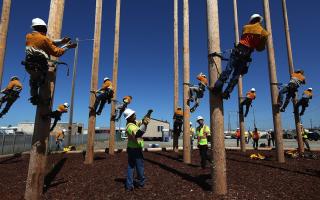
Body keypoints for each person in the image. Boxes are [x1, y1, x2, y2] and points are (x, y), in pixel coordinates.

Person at [209, 14, 269, 99]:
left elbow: (243, 38)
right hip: (246, 56)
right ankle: (226, 93)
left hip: (238, 52)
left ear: (251, 20)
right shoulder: (264, 33)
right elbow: (260, 48)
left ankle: (216, 89)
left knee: (227, 71)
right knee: (235, 76)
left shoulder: (246, 27)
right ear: (259, 20)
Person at [24, 18, 76, 105]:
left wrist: (62, 41)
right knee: (44, 84)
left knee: (33, 82)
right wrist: (67, 46)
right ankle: (44, 102)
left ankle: (34, 97)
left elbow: (49, 42)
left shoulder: (29, 36)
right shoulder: (44, 39)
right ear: (43, 28)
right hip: (39, 67)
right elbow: (56, 52)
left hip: (29, 66)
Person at [123, 108, 150, 191]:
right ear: (129, 117)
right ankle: (141, 183)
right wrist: (144, 125)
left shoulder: (134, 123)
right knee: (140, 167)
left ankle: (129, 186)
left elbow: (141, 121)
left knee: (131, 167)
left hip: (131, 149)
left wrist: (147, 115)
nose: (135, 115)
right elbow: (138, 134)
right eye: (133, 114)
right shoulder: (130, 126)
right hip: (135, 150)